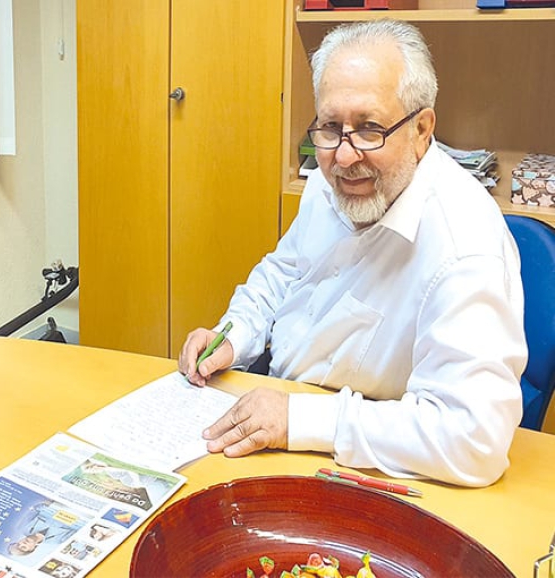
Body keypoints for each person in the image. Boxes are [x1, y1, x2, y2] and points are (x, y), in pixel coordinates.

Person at [178, 19, 526, 488]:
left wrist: (297, 419)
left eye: (369, 129)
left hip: (358, 459)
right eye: (329, 126)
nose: (343, 157)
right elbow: (283, 273)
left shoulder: (464, 246)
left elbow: (473, 439)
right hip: (275, 402)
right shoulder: (333, 178)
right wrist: (233, 335)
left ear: (422, 129)